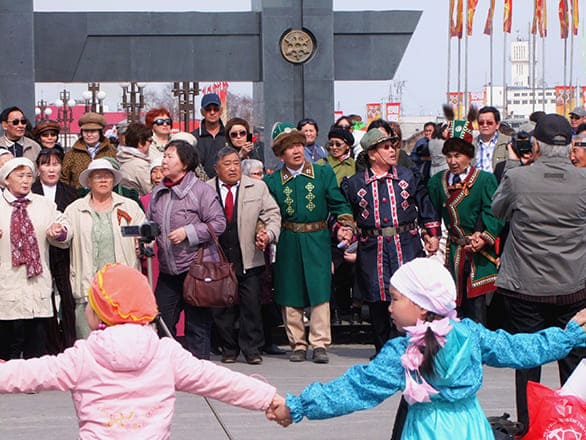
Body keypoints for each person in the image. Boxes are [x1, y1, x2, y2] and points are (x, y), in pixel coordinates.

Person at [266, 258, 586, 440]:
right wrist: (569, 335)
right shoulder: (469, 334)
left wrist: (298, 406)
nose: (389, 307)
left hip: (427, 431)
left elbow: (354, 389)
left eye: (394, 298)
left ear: (421, 307)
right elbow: (520, 348)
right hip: (471, 427)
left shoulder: (402, 352)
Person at [0, 263, 283, 439]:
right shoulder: (165, 353)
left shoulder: (83, 357)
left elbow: (27, 373)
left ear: (99, 314)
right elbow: (217, 379)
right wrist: (268, 398)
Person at [492, 113, 586, 434]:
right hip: (574, 287)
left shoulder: (518, 179)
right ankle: (573, 428)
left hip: (525, 289)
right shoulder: (584, 182)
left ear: (536, 145)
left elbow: (499, 211)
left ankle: (529, 429)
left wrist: (516, 166)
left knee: (527, 363)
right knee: (574, 365)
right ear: (571, 145)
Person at [341, 128, 440, 355]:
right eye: (385, 147)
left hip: (406, 244)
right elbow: (345, 212)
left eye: (393, 146)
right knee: (377, 300)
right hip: (372, 247)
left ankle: (411, 349)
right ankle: (383, 351)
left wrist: (431, 234)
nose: (392, 150)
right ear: (372, 154)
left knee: (409, 296)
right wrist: (345, 230)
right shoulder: (354, 184)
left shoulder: (408, 176)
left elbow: (425, 205)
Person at [264, 123, 354, 364]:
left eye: (298, 145)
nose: (296, 151)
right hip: (288, 238)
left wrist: (346, 224)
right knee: (289, 290)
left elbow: (338, 204)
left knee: (320, 289)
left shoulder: (323, 173)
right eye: (289, 147)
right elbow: (265, 212)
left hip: (317, 238)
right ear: (280, 154)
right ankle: (297, 343)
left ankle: (320, 343)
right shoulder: (271, 182)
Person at [147, 139, 226, 360]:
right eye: (164, 156)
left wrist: (188, 232)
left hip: (196, 269)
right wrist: (147, 236)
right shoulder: (159, 191)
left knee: (197, 324)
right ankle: (166, 367)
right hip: (168, 269)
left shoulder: (201, 191)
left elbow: (218, 223)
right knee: (162, 321)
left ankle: (199, 371)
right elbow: (151, 221)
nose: (164, 161)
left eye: (170, 156)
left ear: (184, 163)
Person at [207, 147, 281, 365]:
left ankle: (251, 349)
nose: (232, 168)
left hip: (249, 254)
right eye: (227, 164)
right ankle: (228, 348)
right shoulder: (206, 189)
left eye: (236, 163)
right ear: (216, 168)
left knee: (251, 305)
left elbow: (272, 214)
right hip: (218, 255)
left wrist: (268, 233)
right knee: (222, 306)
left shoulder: (257, 187)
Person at [427, 116, 504, 326]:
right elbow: (431, 212)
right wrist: (431, 236)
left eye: (458, 156)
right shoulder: (437, 182)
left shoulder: (485, 180)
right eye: (449, 156)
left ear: (469, 156)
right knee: (452, 305)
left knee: (477, 307)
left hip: (478, 254)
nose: (453, 161)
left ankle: (477, 350)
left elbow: (495, 212)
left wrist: (486, 237)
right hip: (451, 252)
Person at [64, 158, 145, 339]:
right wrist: (58, 233)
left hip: (122, 290)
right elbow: (63, 235)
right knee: (88, 344)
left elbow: (145, 234)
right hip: (87, 288)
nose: (103, 181)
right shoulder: (74, 209)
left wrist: (144, 243)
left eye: (107, 177)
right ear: (89, 182)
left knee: (122, 344)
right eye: (98, 177)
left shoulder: (130, 207)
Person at [0, 157, 71, 360]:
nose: (25, 181)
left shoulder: (44, 205)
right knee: (7, 339)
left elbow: (64, 227)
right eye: (20, 176)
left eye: (29, 176)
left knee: (36, 340)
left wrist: (60, 231)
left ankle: (32, 383)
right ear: (6, 180)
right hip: (6, 283)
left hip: (37, 284)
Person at [31, 149, 78, 351]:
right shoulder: (31, 191)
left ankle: (69, 345)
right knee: (44, 300)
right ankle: (47, 347)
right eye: (46, 164)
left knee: (68, 299)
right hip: (39, 254)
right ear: (38, 168)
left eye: (56, 164)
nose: (51, 169)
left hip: (63, 254)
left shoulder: (71, 193)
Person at [241, 159, 287, 355]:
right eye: (255, 174)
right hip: (245, 253)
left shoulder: (263, 191)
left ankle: (267, 340)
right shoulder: (242, 191)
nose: (260, 178)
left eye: (261, 174)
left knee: (266, 296)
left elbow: (273, 215)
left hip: (265, 250)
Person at [60, 112, 117, 189]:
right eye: (86, 131)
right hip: (78, 198)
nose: (89, 135)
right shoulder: (72, 154)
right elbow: (64, 179)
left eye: (93, 131)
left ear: (100, 133)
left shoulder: (111, 152)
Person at [193, 93, 226, 178]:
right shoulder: (194, 137)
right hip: (201, 185)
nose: (212, 112)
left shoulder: (229, 135)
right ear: (202, 112)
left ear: (221, 111)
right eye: (208, 109)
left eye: (216, 109)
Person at [117, 122, 153, 196]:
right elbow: (151, 191)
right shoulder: (139, 165)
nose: (151, 144)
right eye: (150, 141)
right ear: (140, 142)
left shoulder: (123, 158)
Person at [473, 106, 509, 173]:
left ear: (497, 125)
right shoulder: (471, 144)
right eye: (481, 123)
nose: (485, 125)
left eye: (489, 123)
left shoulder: (508, 143)